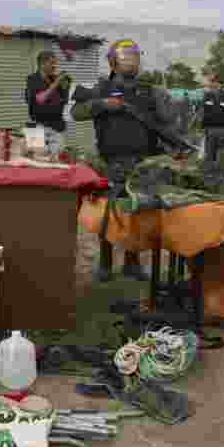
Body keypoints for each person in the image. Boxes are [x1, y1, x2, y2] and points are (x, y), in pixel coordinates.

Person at [71, 39, 187, 282]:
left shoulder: (148, 92)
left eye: (135, 57)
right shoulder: (101, 88)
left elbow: (163, 125)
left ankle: (132, 264)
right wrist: (103, 104)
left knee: (138, 215)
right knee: (108, 215)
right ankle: (105, 264)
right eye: (127, 57)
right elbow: (75, 112)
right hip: (110, 161)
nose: (132, 62)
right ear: (113, 61)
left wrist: (174, 146)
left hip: (143, 163)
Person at [25, 51, 69, 158]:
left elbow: (65, 100)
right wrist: (55, 84)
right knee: (37, 160)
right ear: (42, 64)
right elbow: (40, 99)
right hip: (36, 126)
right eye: (52, 63)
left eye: (56, 63)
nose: (55, 66)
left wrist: (65, 83)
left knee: (56, 160)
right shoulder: (32, 79)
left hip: (56, 126)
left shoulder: (57, 79)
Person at [201, 73, 224, 166]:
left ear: (221, 84)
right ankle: (211, 170)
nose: (214, 85)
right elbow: (205, 111)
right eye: (212, 82)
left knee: (223, 152)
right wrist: (203, 126)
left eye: (216, 82)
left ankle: (222, 170)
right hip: (210, 128)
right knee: (210, 152)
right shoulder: (207, 95)